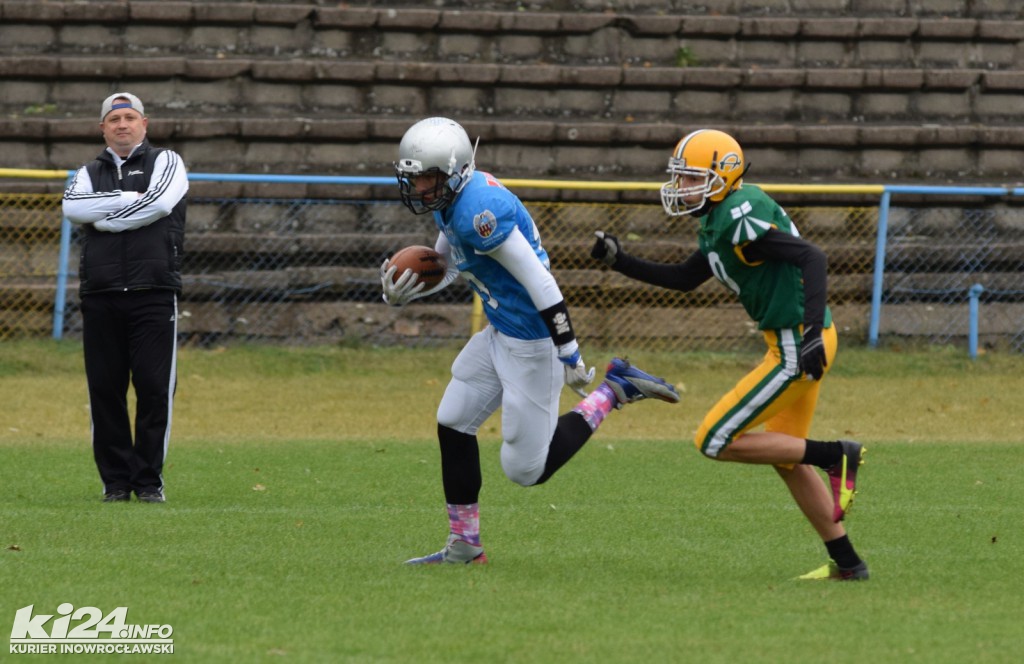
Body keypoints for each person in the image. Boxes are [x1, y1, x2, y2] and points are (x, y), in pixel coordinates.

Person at [383, 117, 680, 564]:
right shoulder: (454, 198)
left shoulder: (479, 210)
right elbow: (445, 266)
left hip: (532, 341)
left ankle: (614, 390)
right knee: (453, 420)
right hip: (501, 331)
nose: (420, 186)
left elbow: (541, 282)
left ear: (455, 170)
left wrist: (570, 352)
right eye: (415, 177)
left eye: (427, 177)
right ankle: (464, 546)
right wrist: (402, 291)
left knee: (525, 470)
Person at [590, 128, 868, 581]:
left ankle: (835, 455)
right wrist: (620, 260)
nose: (682, 188)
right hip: (794, 339)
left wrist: (812, 333)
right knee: (784, 458)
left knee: (713, 439)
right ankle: (849, 563)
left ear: (723, 176)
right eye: (680, 179)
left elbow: (813, 257)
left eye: (692, 179)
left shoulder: (741, 217)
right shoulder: (720, 218)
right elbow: (684, 279)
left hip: (800, 341)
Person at [62, 92, 188, 504]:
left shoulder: (166, 161)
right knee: (105, 390)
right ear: (103, 127)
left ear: (144, 124)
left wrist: (107, 219)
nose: (122, 124)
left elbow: (161, 203)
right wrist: (126, 200)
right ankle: (116, 483)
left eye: (130, 117)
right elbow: (73, 208)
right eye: (114, 119)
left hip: (153, 292)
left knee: (154, 389)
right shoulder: (85, 172)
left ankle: (149, 482)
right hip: (101, 294)